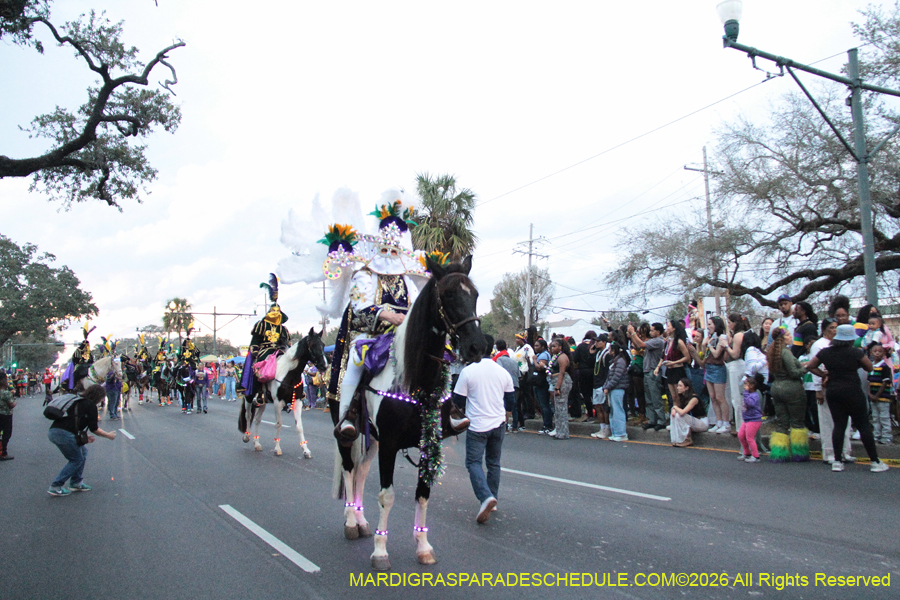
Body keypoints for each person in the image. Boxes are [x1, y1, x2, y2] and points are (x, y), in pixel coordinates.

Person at [807, 324, 889, 473]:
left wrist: (824, 375)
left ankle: (837, 461)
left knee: (838, 425)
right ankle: (875, 461)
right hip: (852, 391)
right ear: (851, 339)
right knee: (863, 425)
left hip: (833, 391)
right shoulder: (855, 353)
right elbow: (869, 367)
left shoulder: (826, 352)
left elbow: (810, 366)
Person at [453, 334, 515, 524]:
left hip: (477, 424)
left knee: (473, 462)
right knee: (494, 462)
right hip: (498, 423)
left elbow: (458, 401)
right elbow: (511, 402)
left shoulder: (468, 371)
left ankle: (485, 496)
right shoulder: (502, 371)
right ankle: (492, 498)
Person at [47, 384, 117, 496]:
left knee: (83, 452)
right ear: (98, 397)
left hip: (55, 431)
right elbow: (94, 428)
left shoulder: (77, 401)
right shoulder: (90, 406)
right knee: (76, 459)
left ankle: (76, 482)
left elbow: (73, 421)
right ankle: (56, 485)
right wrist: (108, 435)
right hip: (64, 434)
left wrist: (82, 436)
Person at [243, 274, 291, 405]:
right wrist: (254, 350)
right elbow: (255, 341)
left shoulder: (283, 329)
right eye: (273, 311)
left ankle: (293, 391)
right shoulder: (261, 325)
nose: (275, 313)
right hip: (265, 350)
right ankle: (257, 392)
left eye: (278, 311)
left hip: (279, 350)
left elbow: (288, 343)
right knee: (258, 366)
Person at [810, 317, 852, 464]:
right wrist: (818, 389)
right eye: (831, 328)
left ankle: (845, 451)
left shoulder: (839, 345)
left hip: (841, 386)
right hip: (826, 386)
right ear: (824, 330)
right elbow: (814, 367)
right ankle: (829, 452)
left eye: (836, 327)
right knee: (827, 420)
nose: (834, 330)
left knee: (844, 420)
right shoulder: (819, 345)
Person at [766, 329, 809, 462]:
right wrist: (807, 367)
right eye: (789, 334)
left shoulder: (773, 352)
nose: (791, 337)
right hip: (792, 389)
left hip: (776, 388)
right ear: (784, 338)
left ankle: (779, 453)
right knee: (796, 421)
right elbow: (794, 373)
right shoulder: (786, 352)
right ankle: (799, 453)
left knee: (782, 423)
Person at [627, 322, 667, 431]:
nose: (650, 332)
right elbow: (638, 344)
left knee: (655, 397)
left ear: (658, 331)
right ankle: (652, 419)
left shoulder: (658, 341)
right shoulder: (651, 341)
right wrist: (632, 335)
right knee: (648, 398)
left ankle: (660, 420)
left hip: (653, 371)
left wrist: (633, 332)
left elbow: (641, 345)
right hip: (647, 371)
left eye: (653, 330)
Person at [599, 340, 630, 442]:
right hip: (613, 388)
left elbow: (617, 377)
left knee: (618, 410)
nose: (609, 351)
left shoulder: (620, 361)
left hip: (618, 388)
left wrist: (608, 386)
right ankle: (615, 432)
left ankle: (621, 433)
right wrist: (606, 386)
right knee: (613, 411)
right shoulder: (614, 361)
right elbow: (610, 376)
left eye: (610, 349)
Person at [866, 341, 894, 445]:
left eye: (880, 351)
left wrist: (877, 395)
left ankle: (887, 437)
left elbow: (885, 383)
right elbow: (869, 382)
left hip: (882, 398)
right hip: (873, 397)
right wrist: (870, 394)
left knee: (884, 417)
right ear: (871, 353)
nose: (877, 353)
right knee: (875, 417)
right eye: (875, 351)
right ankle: (876, 435)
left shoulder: (885, 367)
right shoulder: (871, 367)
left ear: (883, 354)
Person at [668, 377, 708, 447]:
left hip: (701, 422)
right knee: (676, 415)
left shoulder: (694, 398)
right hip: (692, 421)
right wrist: (674, 409)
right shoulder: (682, 397)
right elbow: (677, 408)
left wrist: (674, 407)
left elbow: (682, 412)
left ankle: (687, 439)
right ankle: (677, 439)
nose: (677, 388)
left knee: (679, 415)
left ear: (687, 388)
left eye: (680, 386)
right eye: (678, 386)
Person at [662, 320, 691, 413]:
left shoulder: (679, 342)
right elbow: (663, 356)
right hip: (669, 370)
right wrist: (658, 366)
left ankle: (681, 416)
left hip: (677, 370)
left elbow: (687, 357)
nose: (667, 328)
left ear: (674, 328)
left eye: (669, 326)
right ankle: (674, 417)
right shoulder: (667, 342)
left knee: (679, 396)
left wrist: (674, 362)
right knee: (673, 396)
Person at [492, 339, 521, 432]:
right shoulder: (514, 362)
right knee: (514, 406)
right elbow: (519, 375)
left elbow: (498, 372)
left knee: (504, 405)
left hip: (504, 385)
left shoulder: (499, 360)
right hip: (515, 385)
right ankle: (515, 426)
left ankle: (505, 427)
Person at [547, 338, 573, 439]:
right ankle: (559, 430)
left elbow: (562, 373)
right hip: (555, 381)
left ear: (560, 347)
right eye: (551, 346)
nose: (552, 348)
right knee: (558, 408)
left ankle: (563, 432)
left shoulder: (562, 357)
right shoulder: (555, 357)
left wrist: (557, 387)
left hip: (562, 382)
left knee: (561, 408)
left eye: (554, 346)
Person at [737, 374, 764, 462]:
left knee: (750, 437)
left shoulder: (754, 395)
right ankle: (747, 452)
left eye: (746, 385)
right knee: (741, 435)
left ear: (751, 386)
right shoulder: (748, 394)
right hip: (747, 419)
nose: (744, 387)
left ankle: (755, 456)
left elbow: (750, 404)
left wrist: (745, 394)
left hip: (754, 419)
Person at [571, 331, 597, 422]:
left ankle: (590, 414)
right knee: (595, 393)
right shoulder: (596, 346)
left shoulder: (581, 346)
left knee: (586, 394)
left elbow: (575, 359)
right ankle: (598, 413)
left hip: (583, 371)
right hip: (595, 371)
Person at [588, 333, 610, 437]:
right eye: (595, 341)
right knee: (597, 406)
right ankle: (602, 428)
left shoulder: (607, 354)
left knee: (603, 407)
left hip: (602, 383)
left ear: (605, 342)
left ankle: (607, 428)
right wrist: (591, 353)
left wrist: (605, 384)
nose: (596, 343)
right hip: (595, 383)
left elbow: (607, 371)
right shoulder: (597, 353)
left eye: (598, 341)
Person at [532, 339, 553, 434]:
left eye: (537, 346)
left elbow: (540, 367)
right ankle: (546, 424)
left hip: (542, 382)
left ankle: (548, 425)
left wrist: (535, 360)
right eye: (535, 346)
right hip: (537, 382)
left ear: (543, 346)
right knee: (541, 403)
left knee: (544, 404)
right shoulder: (540, 355)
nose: (535, 347)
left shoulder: (544, 355)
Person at [0, 371, 16, 460]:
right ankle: (3, 453)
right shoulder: (6, 393)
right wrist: (15, 401)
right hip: (5, 415)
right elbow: (11, 405)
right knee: (6, 434)